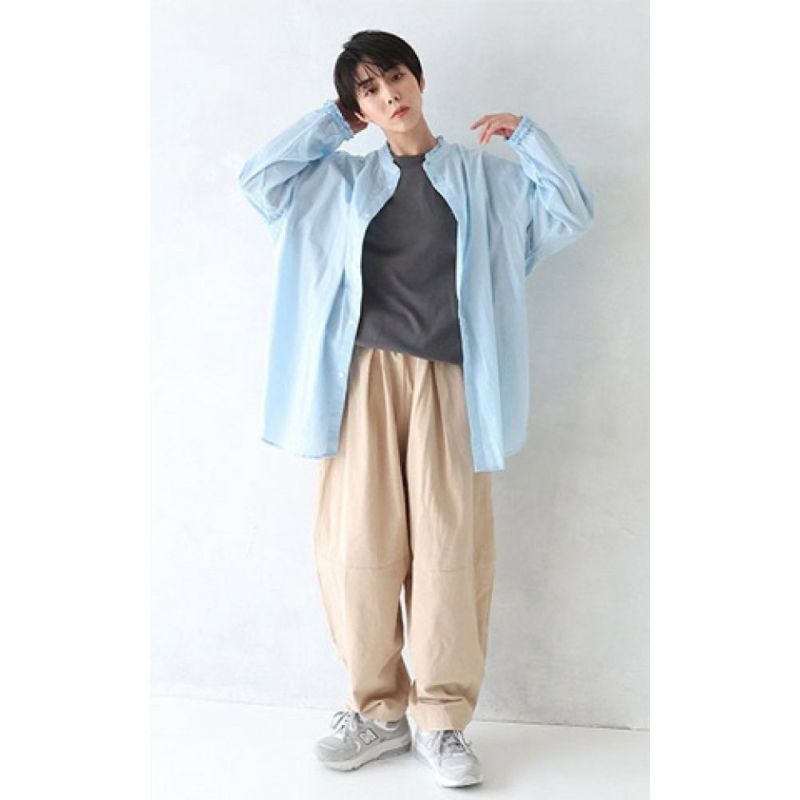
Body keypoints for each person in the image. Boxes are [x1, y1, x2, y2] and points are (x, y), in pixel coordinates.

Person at [238, 29, 594, 789]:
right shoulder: (339, 182)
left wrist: (528, 138)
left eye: (394, 77)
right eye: (367, 90)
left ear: (418, 79)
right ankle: (375, 711)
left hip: (452, 383)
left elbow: (568, 213)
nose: (387, 95)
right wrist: (331, 125)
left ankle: (442, 720)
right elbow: (260, 180)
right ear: (358, 108)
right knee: (358, 550)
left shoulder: (484, 180)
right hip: (360, 381)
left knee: (448, 551)